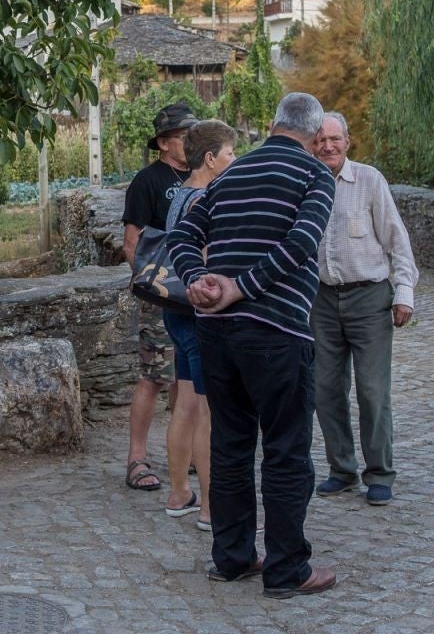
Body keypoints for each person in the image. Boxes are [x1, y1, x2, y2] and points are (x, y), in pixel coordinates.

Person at [167, 92, 337, 600]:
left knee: (231, 446)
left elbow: (180, 235)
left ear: (272, 125)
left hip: (217, 333)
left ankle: (233, 557)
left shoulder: (227, 176)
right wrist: (243, 285)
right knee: (286, 452)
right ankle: (287, 570)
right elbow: (302, 243)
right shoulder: (315, 175)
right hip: (277, 331)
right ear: (312, 134)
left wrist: (196, 278)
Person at [310, 111, 418, 506]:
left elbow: (397, 241)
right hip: (321, 298)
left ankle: (380, 473)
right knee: (325, 389)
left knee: (372, 390)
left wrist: (403, 292)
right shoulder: (307, 182)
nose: (327, 146)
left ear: (348, 141)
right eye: (320, 140)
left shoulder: (369, 180)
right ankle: (342, 470)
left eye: (334, 139)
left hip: (370, 297)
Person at [161, 120, 237, 531]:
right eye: (229, 154)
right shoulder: (204, 197)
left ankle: (179, 493)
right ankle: (211, 507)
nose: (234, 161)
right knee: (209, 411)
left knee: (186, 403)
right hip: (197, 312)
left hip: (173, 310)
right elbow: (205, 257)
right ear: (210, 158)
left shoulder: (178, 194)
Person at [123, 102, 198, 492]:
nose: (190, 142)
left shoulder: (206, 177)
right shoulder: (148, 181)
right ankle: (137, 458)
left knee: (189, 380)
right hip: (162, 294)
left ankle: (184, 457)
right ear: (164, 143)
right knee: (154, 377)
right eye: (184, 136)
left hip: (199, 295)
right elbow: (132, 243)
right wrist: (152, 288)